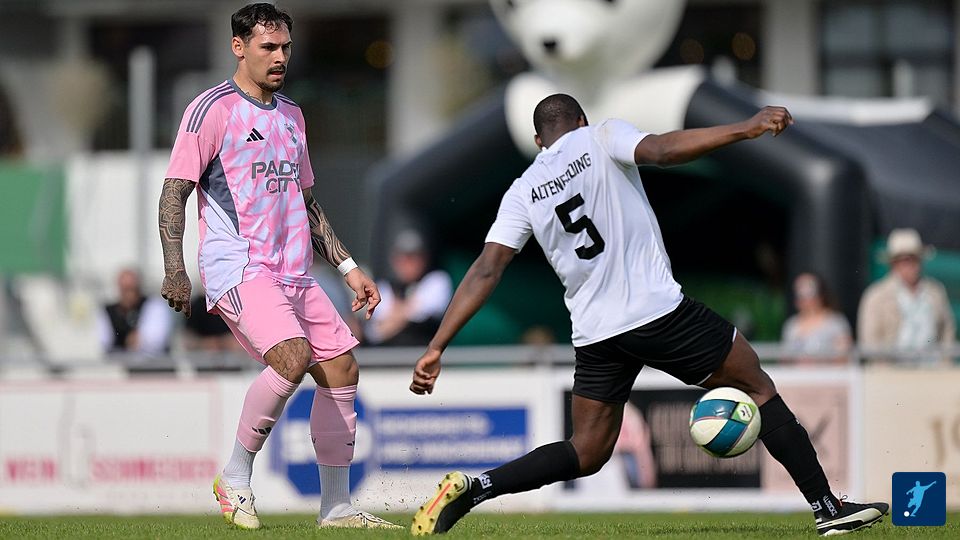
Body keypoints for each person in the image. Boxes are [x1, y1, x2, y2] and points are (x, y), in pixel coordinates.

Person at [407, 94, 888, 536]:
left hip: (596, 333)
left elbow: (486, 269)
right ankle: (828, 508)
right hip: (655, 311)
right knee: (757, 387)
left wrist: (436, 346)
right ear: (581, 120)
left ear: (538, 141)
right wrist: (746, 127)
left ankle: (476, 488)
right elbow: (661, 150)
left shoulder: (523, 189)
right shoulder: (601, 135)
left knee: (586, 450)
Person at [157, 3, 398, 530]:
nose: (280, 57)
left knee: (342, 368)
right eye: (268, 47)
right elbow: (175, 191)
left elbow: (305, 201)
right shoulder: (211, 110)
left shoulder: (292, 114)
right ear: (238, 47)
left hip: (295, 272)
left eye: (285, 47)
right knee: (292, 357)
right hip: (240, 267)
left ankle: (336, 508)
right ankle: (234, 477)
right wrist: (175, 268)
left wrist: (349, 267)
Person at [857, 228, 955, 364]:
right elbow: (870, 341)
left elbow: (947, 331)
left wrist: (945, 363)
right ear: (893, 263)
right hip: (892, 370)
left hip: (932, 368)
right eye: (904, 260)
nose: (910, 265)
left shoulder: (936, 291)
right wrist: (884, 369)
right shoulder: (876, 296)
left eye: (913, 259)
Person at [365, 229, 452, 346]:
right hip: (388, 354)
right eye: (402, 258)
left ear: (424, 259)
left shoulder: (437, 281)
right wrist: (408, 310)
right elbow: (374, 332)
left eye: (413, 258)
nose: (407, 263)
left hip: (424, 350)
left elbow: (424, 313)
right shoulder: (383, 287)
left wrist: (396, 314)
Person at [96, 268, 173, 356]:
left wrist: (140, 340)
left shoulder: (154, 305)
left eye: (132, 289)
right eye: (125, 289)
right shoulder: (108, 311)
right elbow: (104, 342)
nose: (129, 294)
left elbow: (156, 341)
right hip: (118, 362)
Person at [781, 272, 852, 365]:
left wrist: (818, 362)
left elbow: (844, 357)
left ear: (820, 294)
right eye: (800, 293)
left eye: (809, 292)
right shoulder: (791, 325)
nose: (804, 299)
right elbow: (785, 359)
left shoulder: (836, 322)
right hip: (798, 374)